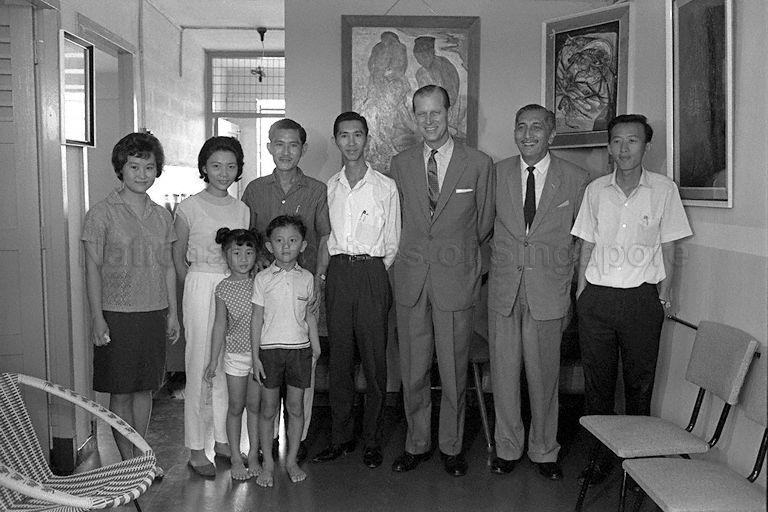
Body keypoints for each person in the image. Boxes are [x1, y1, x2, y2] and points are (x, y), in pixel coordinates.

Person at [571, 114, 692, 482]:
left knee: (640, 385)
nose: (623, 149)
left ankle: (638, 466)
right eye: (617, 141)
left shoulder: (664, 190)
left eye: (632, 141)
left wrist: (664, 296)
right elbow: (586, 244)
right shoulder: (596, 190)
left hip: (641, 301)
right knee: (598, 386)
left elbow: (669, 248)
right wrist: (581, 293)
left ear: (646, 147)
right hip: (598, 299)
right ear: (609, 147)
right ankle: (598, 459)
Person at [389, 85, 494, 477]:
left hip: (455, 279)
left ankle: (452, 446)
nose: (429, 120)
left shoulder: (478, 163)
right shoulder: (400, 164)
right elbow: (397, 219)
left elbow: (483, 223)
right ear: (413, 117)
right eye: (422, 113)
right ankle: (416, 443)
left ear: (451, 112)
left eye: (436, 112)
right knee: (413, 369)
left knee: (453, 370)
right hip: (412, 280)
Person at [488, 104, 589, 480]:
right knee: (503, 374)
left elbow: (582, 240)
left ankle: (544, 450)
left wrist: (572, 288)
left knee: (545, 377)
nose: (527, 134)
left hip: (549, 291)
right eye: (521, 127)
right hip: (504, 290)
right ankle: (507, 447)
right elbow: (482, 227)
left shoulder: (576, 178)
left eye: (536, 127)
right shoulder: (496, 173)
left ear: (552, 135)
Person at [82, 132, 179, 480]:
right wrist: (97, 318)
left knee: (144, 388)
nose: (142, 174)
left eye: (149, 167)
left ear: (157, 170)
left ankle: (143, 456)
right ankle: (129, 464)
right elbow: (92, 268)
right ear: (120, 169)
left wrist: (173, 313)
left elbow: (168, 267)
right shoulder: (101, 214)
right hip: (116, 314)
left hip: (154, 312)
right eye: (134, 166)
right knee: (121, 391)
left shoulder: (162, 216)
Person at [311, 112, 400, 469]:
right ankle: (341, 437)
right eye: (344, 135)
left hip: (372, 273)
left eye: (358, 135)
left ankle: (373, 439)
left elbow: (392, 240)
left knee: (375, 360)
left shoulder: (385, 186)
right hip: (338, 274)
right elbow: (324, 236)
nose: (351, 142)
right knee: (340, 360)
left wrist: (371, 270)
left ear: (367, 139)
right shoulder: (328, 187)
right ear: (336, 140)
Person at [241, 118, 331, 464]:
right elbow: (246, 238)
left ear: (303, 149)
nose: (286, 151)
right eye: (279, 144)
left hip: (303, 291)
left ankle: (299, 436)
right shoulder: (254, 190)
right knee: (267, 364)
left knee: (301, 366)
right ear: (269, 147)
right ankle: (269, 437)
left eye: (293, 145)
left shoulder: (317, 190)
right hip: (265, 292)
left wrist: (319, 279)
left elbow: (324, 236)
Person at [172, 136, 250, 477]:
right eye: (216, 166)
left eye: (231, 166)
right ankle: (195, 448)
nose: (223, 172)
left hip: (235, 285)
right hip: (201, 283)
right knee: (200, 364)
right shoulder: (189, 207)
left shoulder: (242, 209)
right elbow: (177, 258)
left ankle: (223, 441)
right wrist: (194, 287)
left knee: (228, 365)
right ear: (204, 167)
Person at [251, 215, 321, 487]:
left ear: (303, 245)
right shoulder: (262, 279)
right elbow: (257, 318)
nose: (286, 246)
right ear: (269, 246)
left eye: (292, 240)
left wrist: (315, 347)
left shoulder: (308, 278)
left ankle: (291, 461)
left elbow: (310, 315)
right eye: (279, 241)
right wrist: (255, 356)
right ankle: (268, 463)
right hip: (269, 352)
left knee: (295, 408)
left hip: (299, 352)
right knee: (268, 409)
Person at [204, 228, 268, 480]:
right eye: (236, 252)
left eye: (249, 252)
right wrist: (213, 360)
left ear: (256, 255)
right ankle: (235, 457)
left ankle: (253, 454)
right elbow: (219, 325)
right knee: (235, 406)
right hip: (235, 356)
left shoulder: (261, 282)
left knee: (255, 406)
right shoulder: (223, 288)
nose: (243, 258)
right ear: (225, 255)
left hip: (260, 356)